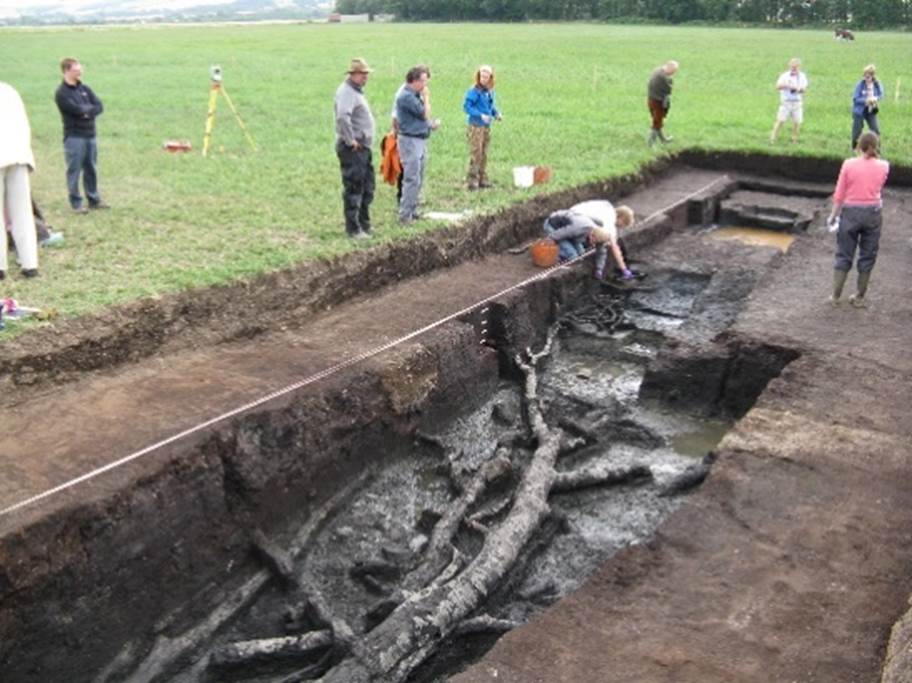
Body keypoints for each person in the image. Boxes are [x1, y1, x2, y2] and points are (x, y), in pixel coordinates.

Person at [826, 132, 889, 308]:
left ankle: (835, 296)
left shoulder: (848, 164)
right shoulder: (884, 166)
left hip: (851, 213)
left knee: (844, 254)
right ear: (876, 146)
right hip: (873, 214)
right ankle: (860, 296)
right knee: (868, 255)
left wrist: (833, 216)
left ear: (858, 146)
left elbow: (839, 194)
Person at [55, 57, 107, 214]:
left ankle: (93, 199)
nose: (79, 71)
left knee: (91, 168)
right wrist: (86, 111)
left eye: (80, 69)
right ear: (66, 71)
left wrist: (86, 112)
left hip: (90, 134)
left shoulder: (85, 89)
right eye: (76, 69)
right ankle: (76, 203)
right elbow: (75, 110)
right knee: (74, 169)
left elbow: (99, 106)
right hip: (74, 137)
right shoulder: (62, 93)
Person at [333, 57, 376, 240]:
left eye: (367, 74)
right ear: (354, 74)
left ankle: (364, 223)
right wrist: (351, 140)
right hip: (354, 149)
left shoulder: (356, 91)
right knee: (354, 187)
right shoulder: (347, 92)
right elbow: (343, 117)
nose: (366, 77)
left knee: (367, 186)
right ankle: (353, 229)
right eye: (363, 74)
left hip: (363, 147)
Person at [0, 81, 39, 280]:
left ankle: (1, 266)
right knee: (22, 212)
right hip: (19, 155)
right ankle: (30, 264)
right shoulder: (10, 90)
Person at [542, 200, 636, 280]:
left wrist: (599, 269)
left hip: (573, 227)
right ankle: (557, 256)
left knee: (582, 252)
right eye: (593, 242)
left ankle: (566, 247)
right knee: (573, 256)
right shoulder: (582, 227)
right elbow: (564, 232)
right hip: (554, 226)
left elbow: (601, 252)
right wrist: (551, 239)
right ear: (592, 236)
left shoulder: (600, 232)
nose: (593, 244)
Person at [395, 65, 440, 225]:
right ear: (414, 80)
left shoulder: (413, 94)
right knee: (412, 178)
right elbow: (424, 113)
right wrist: (426, 97)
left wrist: (429, 125)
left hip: (419, 138)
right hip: (410, 140)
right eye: (423, 82)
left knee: (419, 177)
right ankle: (405, 215)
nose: (425, 86)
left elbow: (422, 118)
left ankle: (413, 210)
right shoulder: (406, 97)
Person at [463, 64, 502, 190]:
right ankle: (472, 180)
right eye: (482, 76)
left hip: (486, 126)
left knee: (484, 153)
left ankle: (482, 178)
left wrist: (496, 113)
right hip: (476, 126)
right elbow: (467, 107)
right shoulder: (474, 91)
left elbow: (490, 107)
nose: (484, 79)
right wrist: (480, 115)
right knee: (476, 152)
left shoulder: (489, 92)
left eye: (486, 76)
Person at [769, 58, 808, 145]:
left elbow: (804, 89)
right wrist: (788, 86)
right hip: (786, 102)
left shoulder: (802, 76)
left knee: (797, 122)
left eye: (795, 67)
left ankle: (794, 139)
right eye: (792, 66)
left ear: (799, 67)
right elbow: (777, 86)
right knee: (780, 120)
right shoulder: (784, 75)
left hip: (797, 102)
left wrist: (799, 89)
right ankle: (773, 138)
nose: (793, 68)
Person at [851, 64, 883, 150]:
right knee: (857, 130)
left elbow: (880, 94)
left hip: (871, 110)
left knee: (875, 129)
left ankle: (877, 148)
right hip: (859, 111)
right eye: (864, 76)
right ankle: (855, 147)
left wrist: (875, 98)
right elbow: (855, 99)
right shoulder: (860, 85)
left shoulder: (877, 84)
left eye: (868, 76)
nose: (866, 78)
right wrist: (865, 100)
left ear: (873, 76)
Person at [647, 61, 678, 146]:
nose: (673, 73)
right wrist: (670, 81)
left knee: (658, 121)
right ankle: (650, 143)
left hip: (651, 99)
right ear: (669, 67)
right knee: (657, 122)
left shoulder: (657, 71)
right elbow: (669, 90)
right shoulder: (663, 77)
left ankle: (663, 139)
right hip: (658, 102)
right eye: (673, 71)